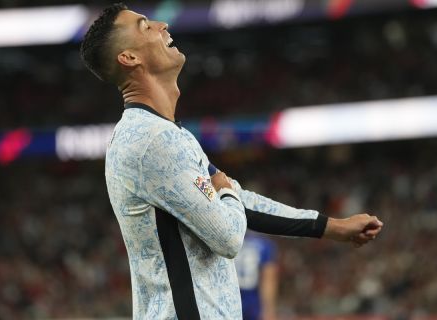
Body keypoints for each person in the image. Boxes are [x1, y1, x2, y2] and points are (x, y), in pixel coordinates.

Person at [79, 3, 383, 319]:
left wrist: (330, 227)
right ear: (130, 58)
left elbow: (238, 200)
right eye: (144, 26)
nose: (161, 25)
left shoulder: (159, 133)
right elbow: (228, 236)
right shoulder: (152, 141)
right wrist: (224, 192)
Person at [235, 232, 278, 320]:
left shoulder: (229, 241)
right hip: (253, 302)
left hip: (229, 298)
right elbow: (268, 280)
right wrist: (269, 309)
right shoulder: (264, 244)